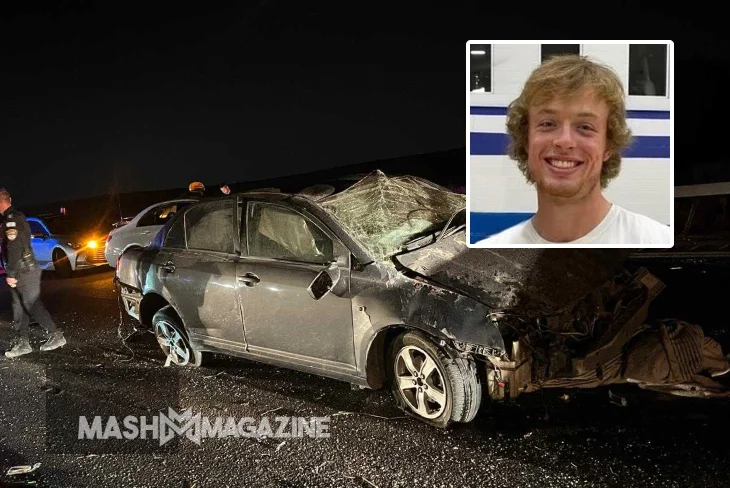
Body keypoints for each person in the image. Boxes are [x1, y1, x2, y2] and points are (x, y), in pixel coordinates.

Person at [475, 54, 672, 246]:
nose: (564, 141)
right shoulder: (491, 252)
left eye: (585, 127)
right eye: (548, 123)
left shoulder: (655, 241)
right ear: (526, 139)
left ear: (608, 146)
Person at [0, 189, 66, 358]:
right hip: (22, 268)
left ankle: (55, 335)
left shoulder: (11, 219)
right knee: (19, 307)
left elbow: (14, 247)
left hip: (23, 270)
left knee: (31, 304)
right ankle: (23, 343)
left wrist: (12, 273)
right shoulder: (11, 218)